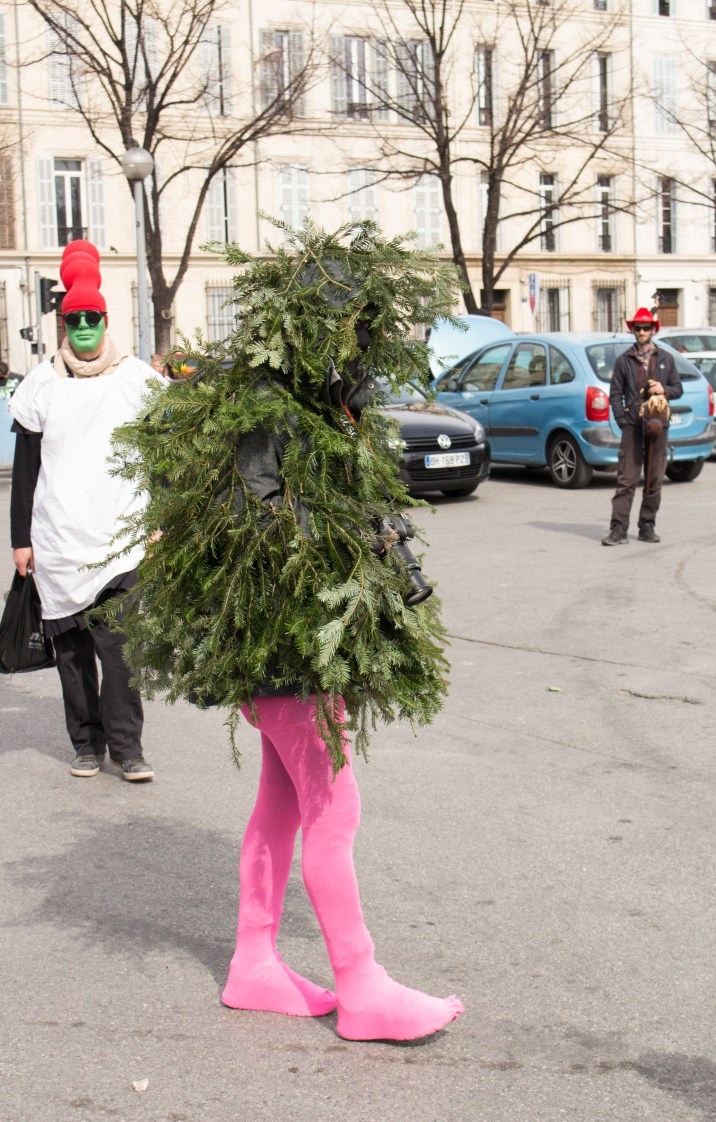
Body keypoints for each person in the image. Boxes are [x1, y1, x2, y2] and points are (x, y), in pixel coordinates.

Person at [109, 219, 465, 1041]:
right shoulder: (274, 409)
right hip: (286, 646)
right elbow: (267, 524)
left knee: (282, 804)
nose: (364, 349)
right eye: (353, 329)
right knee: (333, 809)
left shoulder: (323, 404)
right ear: (317, 326)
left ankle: (253, 962)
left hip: (286, 648)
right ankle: (361, 984)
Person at [9, 240, 165, 780]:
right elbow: (25, 471)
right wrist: (20, 539)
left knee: (120, 654)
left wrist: (161, 516)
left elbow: (164, 455)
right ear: (63, 324)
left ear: (104, 320)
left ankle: (128, 749)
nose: (82, 327)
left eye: (91, 318)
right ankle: (85, 745)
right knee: (72, 655)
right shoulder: (41, 386)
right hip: (58, 540)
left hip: (121, 539)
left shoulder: (137, 381)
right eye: (73, 318)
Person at [602, 307, 683, 546]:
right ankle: (618, 529)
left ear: (653, 330)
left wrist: (664, 389)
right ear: (633, 330)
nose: (642, 331)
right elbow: (615, 394)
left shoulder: (666, 359)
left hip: (658, 425)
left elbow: (678, 389)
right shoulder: (623, 360)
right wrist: (622, 419)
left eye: (646, 328)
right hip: (633, 427)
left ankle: (647, 526)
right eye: (638, 328)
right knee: (626, 478)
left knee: (654, 477)